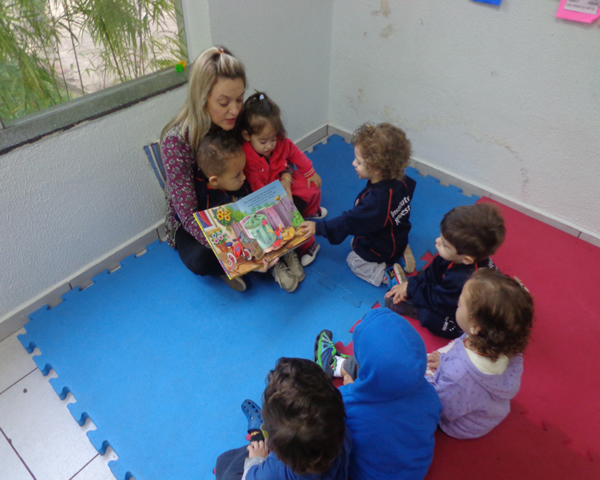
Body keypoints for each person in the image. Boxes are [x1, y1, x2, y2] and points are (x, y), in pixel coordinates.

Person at [314, 308, 441, 480]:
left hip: (370, 475)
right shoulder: (431, 396)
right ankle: (339, 364)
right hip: (416, 471)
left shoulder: (347, 404)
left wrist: (351, 388)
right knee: (383, 363)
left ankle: (334, 364)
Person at [160, 45, 247, 288]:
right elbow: (188, 215)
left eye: (239, 99)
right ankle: (235, 262)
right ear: (202, 98)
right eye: (224, 102)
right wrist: (233, 243)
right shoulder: (177, 141)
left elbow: (270, 151)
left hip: (231, 198)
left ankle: (241, 261)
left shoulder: (236, 119)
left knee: (291, 206)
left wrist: (285, 180)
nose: (235, 110)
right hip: (194, 219)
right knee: (200, 258)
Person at [299, 122, 416, 287]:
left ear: (377, 169)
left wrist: (317, 228)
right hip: (398, 234)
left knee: (354, 259)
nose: (354, 163)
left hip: (381, 248)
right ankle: (402, 250)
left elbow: (349, 221)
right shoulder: (401, 179)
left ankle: (389, 275)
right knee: (369, 236)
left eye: (359, 162)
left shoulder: (376, 201)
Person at [425, 268, 534, 439]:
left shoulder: (458, 378)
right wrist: (446, 363)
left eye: (460, 304)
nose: (457, 304)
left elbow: (442, 409)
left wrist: (444, 372)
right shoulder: (502, 344)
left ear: (476, 327)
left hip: (461, 424)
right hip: (485, 407)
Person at [214, 357, 352, 480]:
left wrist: (257, 459)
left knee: (225, 464)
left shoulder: (274, 470)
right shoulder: (338, 425)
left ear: (277, 451)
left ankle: (257, 435)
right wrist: (350, 388)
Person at [385, 202, 506, 339]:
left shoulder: (463, 280)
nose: (437, 241)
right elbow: (435, 268)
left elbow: (439, 301)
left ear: (467, 259)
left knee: (429, 317)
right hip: (451, 294)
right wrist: (413, 285)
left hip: (457, 315)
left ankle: (415, 310)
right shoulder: (463, 256)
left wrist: (411, 289)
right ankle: (422, 289)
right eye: (441, 237)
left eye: (445, 244)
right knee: (434, 268)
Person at [193, 132, 291, 292]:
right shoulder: (206, 201)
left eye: (243, 171)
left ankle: (285, 255)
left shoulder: (238, 184)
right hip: (234, 241)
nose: (244, 177)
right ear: (215, 180)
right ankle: (267, 268)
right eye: (238, 175)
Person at [238, 91, 326, 267]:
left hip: (282, 180)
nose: (270, 145)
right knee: (285, 216)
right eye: (263, 141)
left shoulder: (281, 142)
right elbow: (255, 183)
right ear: (247, 136)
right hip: (266, 192)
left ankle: (311, 211)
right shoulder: (246, 154)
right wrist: (270, 201)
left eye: (273, 139)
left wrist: (309, 172)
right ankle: (308, 244)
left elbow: (296, 154)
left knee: (311, 186)